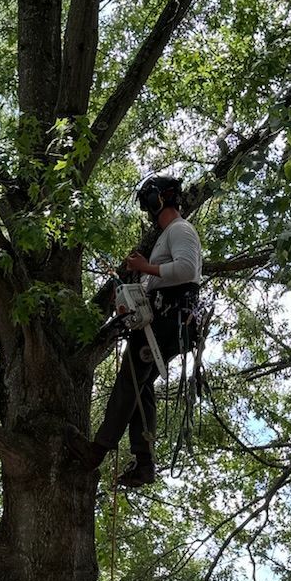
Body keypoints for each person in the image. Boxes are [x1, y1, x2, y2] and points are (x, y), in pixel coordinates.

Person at [90, 173, 203, 488]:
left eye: (148, 202)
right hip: (162, 322)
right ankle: (144, 463)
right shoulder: (168, 235)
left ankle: (97, 450)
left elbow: (185, 270)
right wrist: (131, 289)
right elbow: (159, 280)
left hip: (168, 322)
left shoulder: (180, 229)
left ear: (160, 198)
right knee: (141, 387)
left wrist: (144, 268)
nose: (148, 211)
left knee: (129, 381)